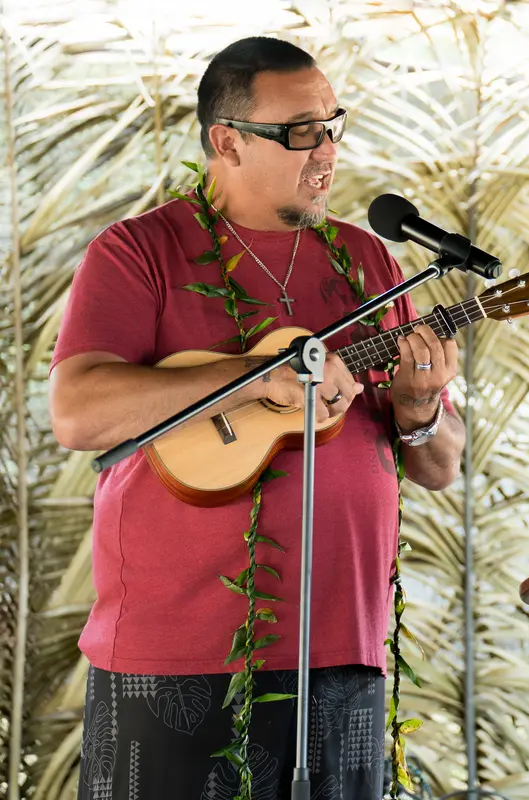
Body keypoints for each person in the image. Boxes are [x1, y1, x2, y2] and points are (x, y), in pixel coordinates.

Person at [49, 37, 464, 798]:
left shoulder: (369, 263)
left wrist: (420, 405)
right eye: (301, 132)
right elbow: (78, 412)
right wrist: (254, 378)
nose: (326, 151)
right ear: (228, 141)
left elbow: (439, 465)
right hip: (175, 657)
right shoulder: (142, 251)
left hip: (342, 653)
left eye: (332, 126)